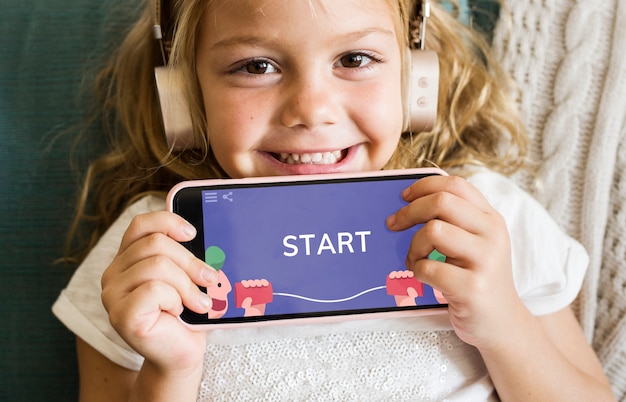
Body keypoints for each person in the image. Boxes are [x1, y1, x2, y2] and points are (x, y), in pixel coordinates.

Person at [52, 0, 615, 400]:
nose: (311, 109)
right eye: (256, 66)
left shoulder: (480, 216)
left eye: (355, 59)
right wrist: (170, 369)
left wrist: (505, 323)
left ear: (415, 78)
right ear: (183, 93)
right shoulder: (149, 251)